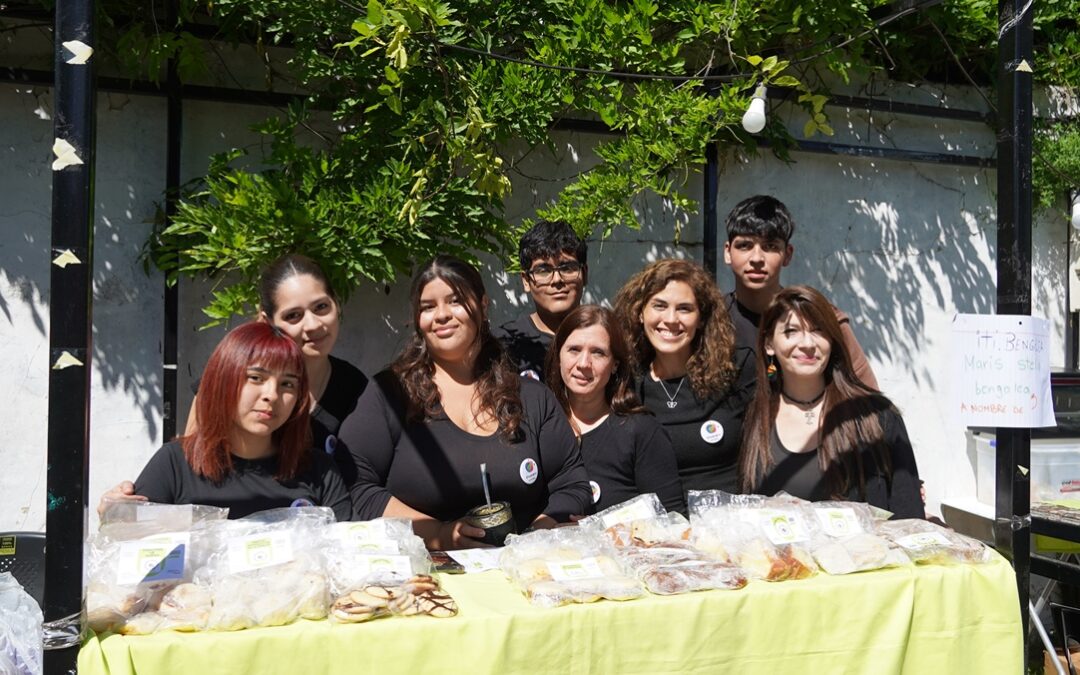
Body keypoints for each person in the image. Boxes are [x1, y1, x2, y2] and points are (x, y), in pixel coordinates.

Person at [337, 255, 593, 549]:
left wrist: (539, 535)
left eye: (455, 300)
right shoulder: (389, 396)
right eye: (427, 307)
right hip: (425, 581)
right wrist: (438, 534)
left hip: (525, 575)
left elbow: (571, 480)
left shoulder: (530, 398)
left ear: (483, 305)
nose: (442, 314)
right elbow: (354, 482)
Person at [100, 254, 367, 513]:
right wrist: (119, 514)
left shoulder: (355, 392)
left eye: (321, 307)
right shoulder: (176, 464)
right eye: (293, 316)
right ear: (266, 321)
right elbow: (196, 462)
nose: (313, 325)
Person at [125, 322, 351, 520]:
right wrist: (117, 515)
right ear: (223, 380)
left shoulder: (320, 471)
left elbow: (348, 553)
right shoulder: (174, 464)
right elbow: (131, 548)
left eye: (287, 384)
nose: (271, 395)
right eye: (256, 378)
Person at [739, 286, 922, 518]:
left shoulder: (876, 416)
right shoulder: (751, 415)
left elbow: (909, 517)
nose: (807, 343)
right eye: (791, 331)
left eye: (818, 330)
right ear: (769, 344)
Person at [614, 259, 756, 494]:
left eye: (684, 308)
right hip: (655, 527)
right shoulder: (624, 382)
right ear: (640, 312)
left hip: (728, 522)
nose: (670, 319)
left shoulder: (737, 369)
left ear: (701, 318)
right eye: (659, 306)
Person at [722, 195, 879, 389]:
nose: (756, 258)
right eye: (745, 245)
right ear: (728, 252)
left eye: (770, 246)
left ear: (787, 254)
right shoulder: (709, 321)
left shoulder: (821, 319)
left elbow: (868, 397)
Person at [544, 305, 685, 514]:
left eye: (598, 353)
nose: (584, 363)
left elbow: (672, 520)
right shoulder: (538, 427)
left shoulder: (641, 431)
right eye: (574, 350)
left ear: (615, 365)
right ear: (558, 356)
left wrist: (599, 530)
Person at [494, 220, 588, 380]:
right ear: (526, 280)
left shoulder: (604, 339)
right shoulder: (504, 344)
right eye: (543, 271)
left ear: (584, 274)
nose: (557, 280)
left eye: (567, 268)